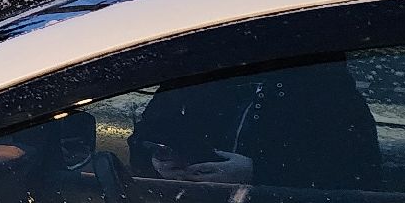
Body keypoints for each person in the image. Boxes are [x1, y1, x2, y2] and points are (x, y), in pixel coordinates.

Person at [129, 57, 380, 190]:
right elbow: (145, 137)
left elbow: (358, 177)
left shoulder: (328, 90)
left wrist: (258, 176)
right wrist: (159, 158)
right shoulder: (198, 70)